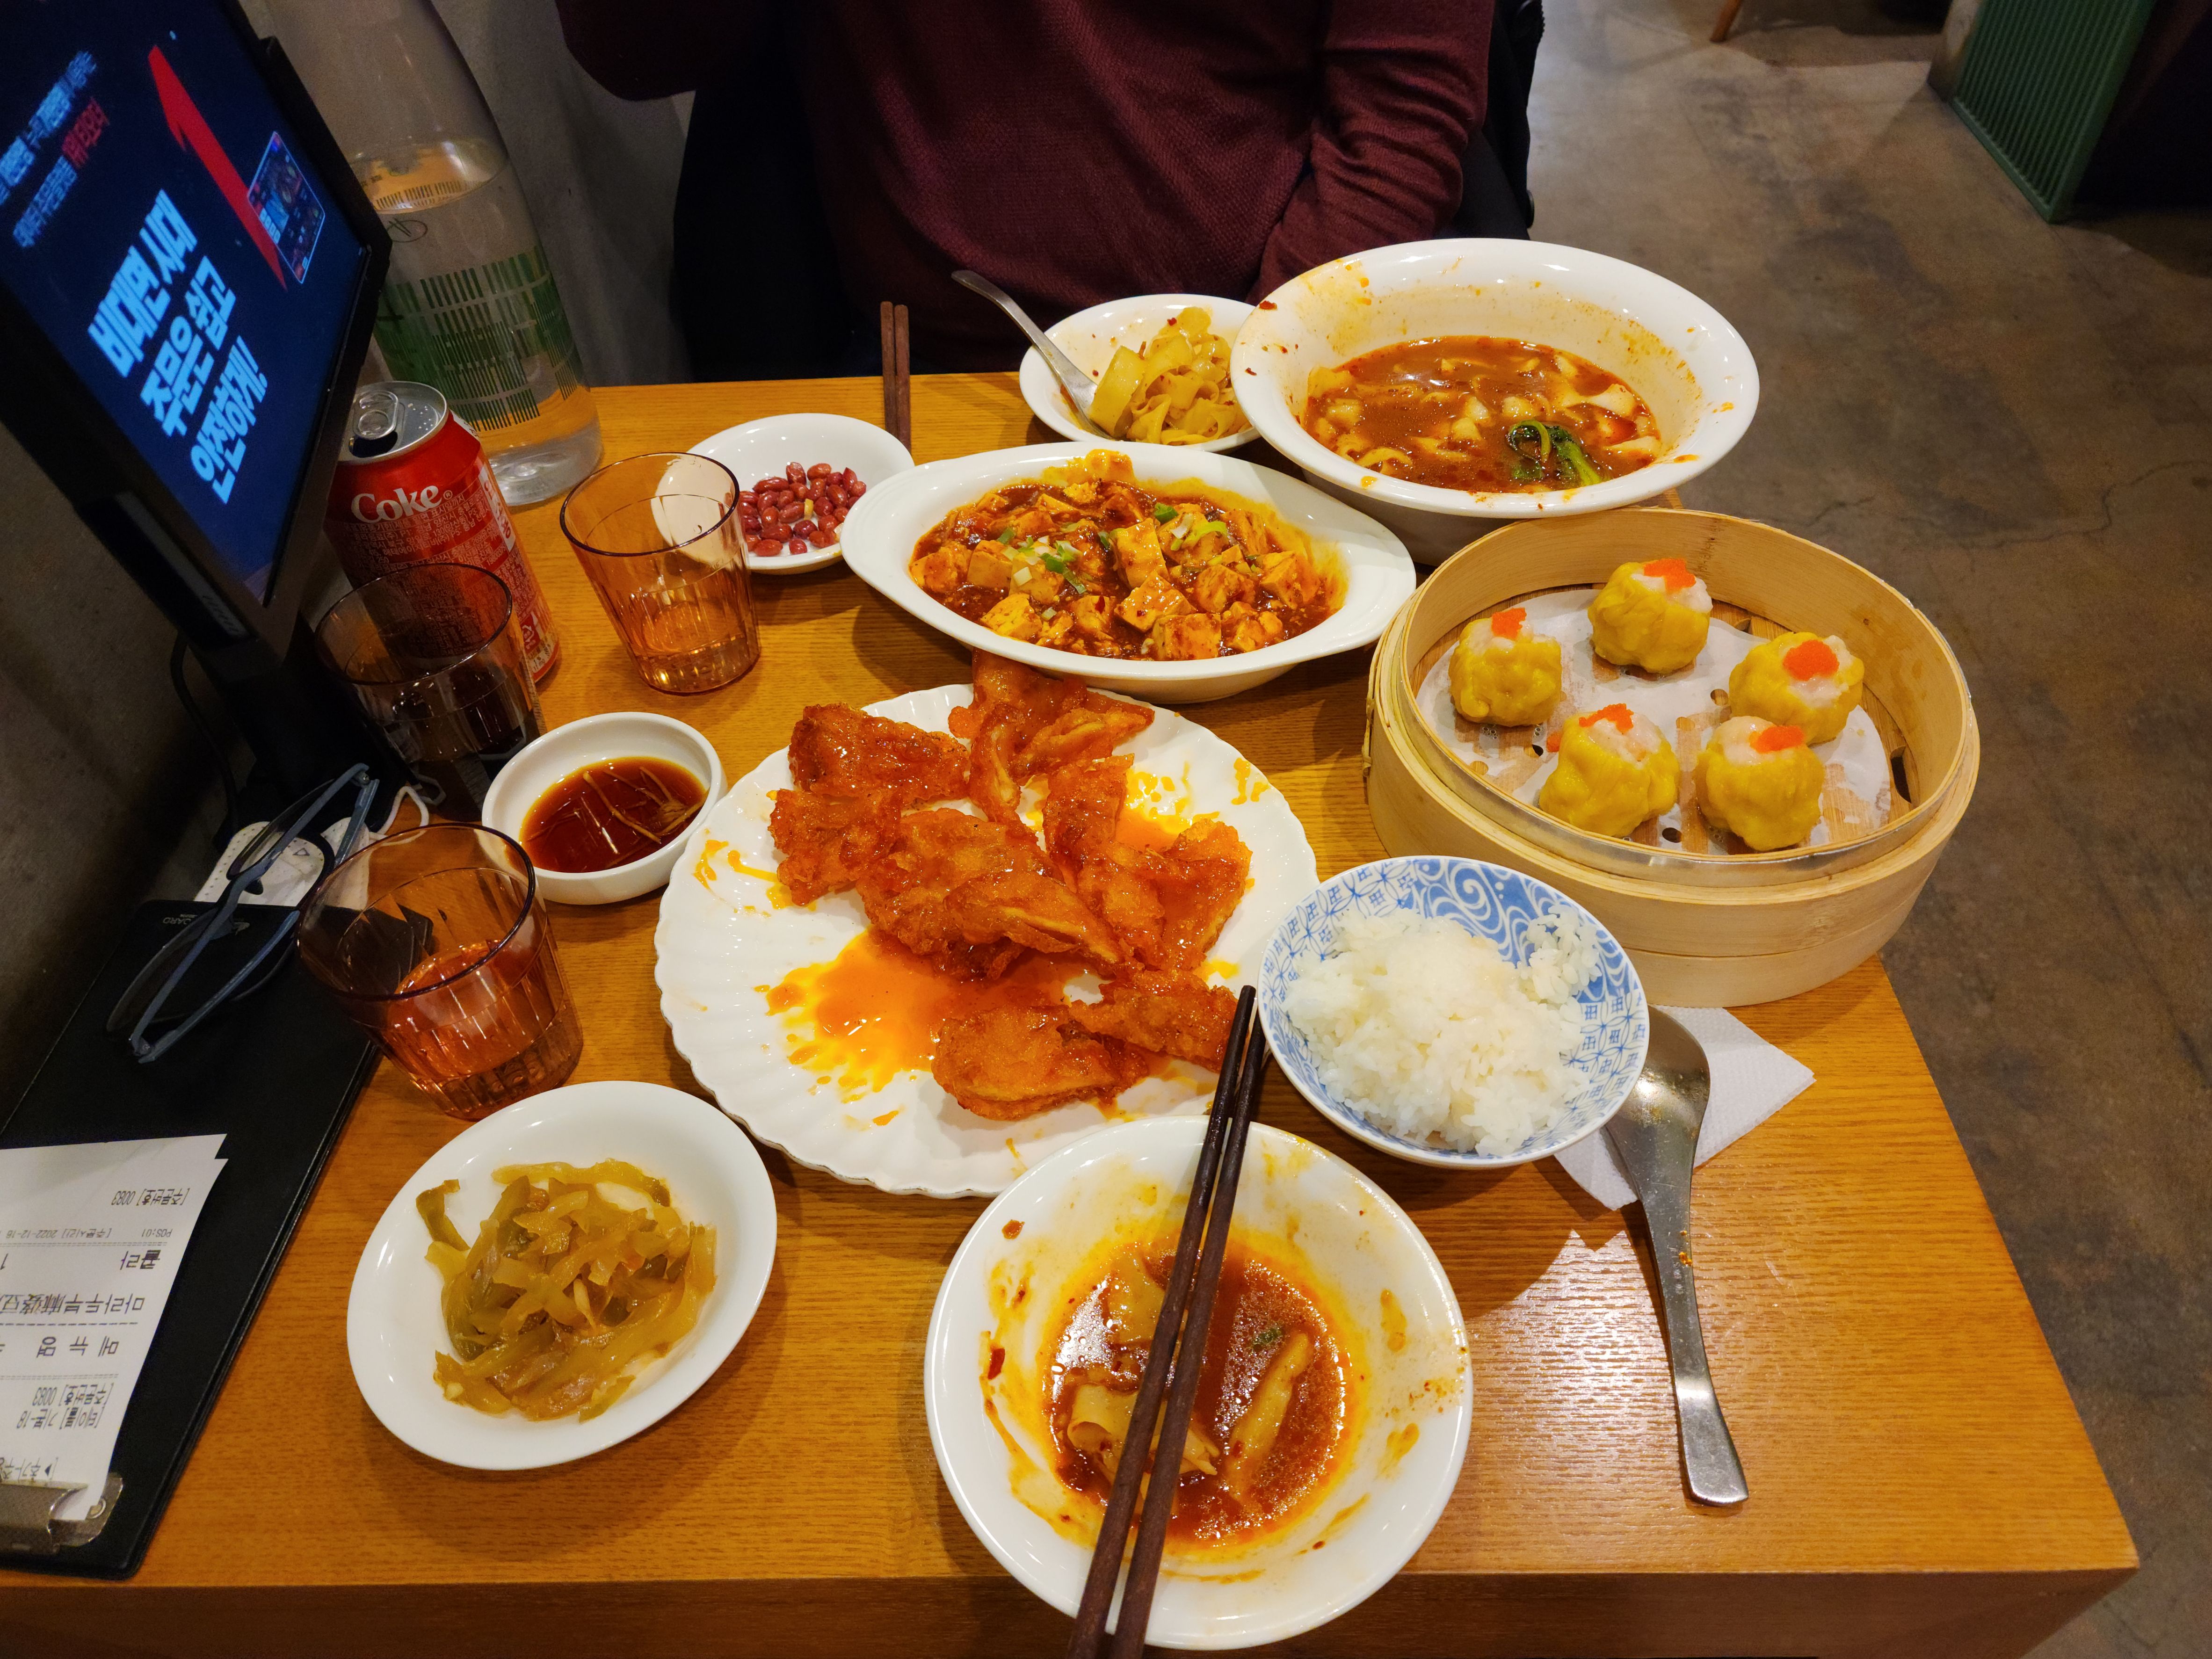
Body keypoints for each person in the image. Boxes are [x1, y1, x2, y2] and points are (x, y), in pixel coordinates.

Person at [558, 1, 1530, 379]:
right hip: (934, 369)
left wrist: (1248, 372)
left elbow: (1402, 107)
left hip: (1270, 344)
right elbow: (631, 53)